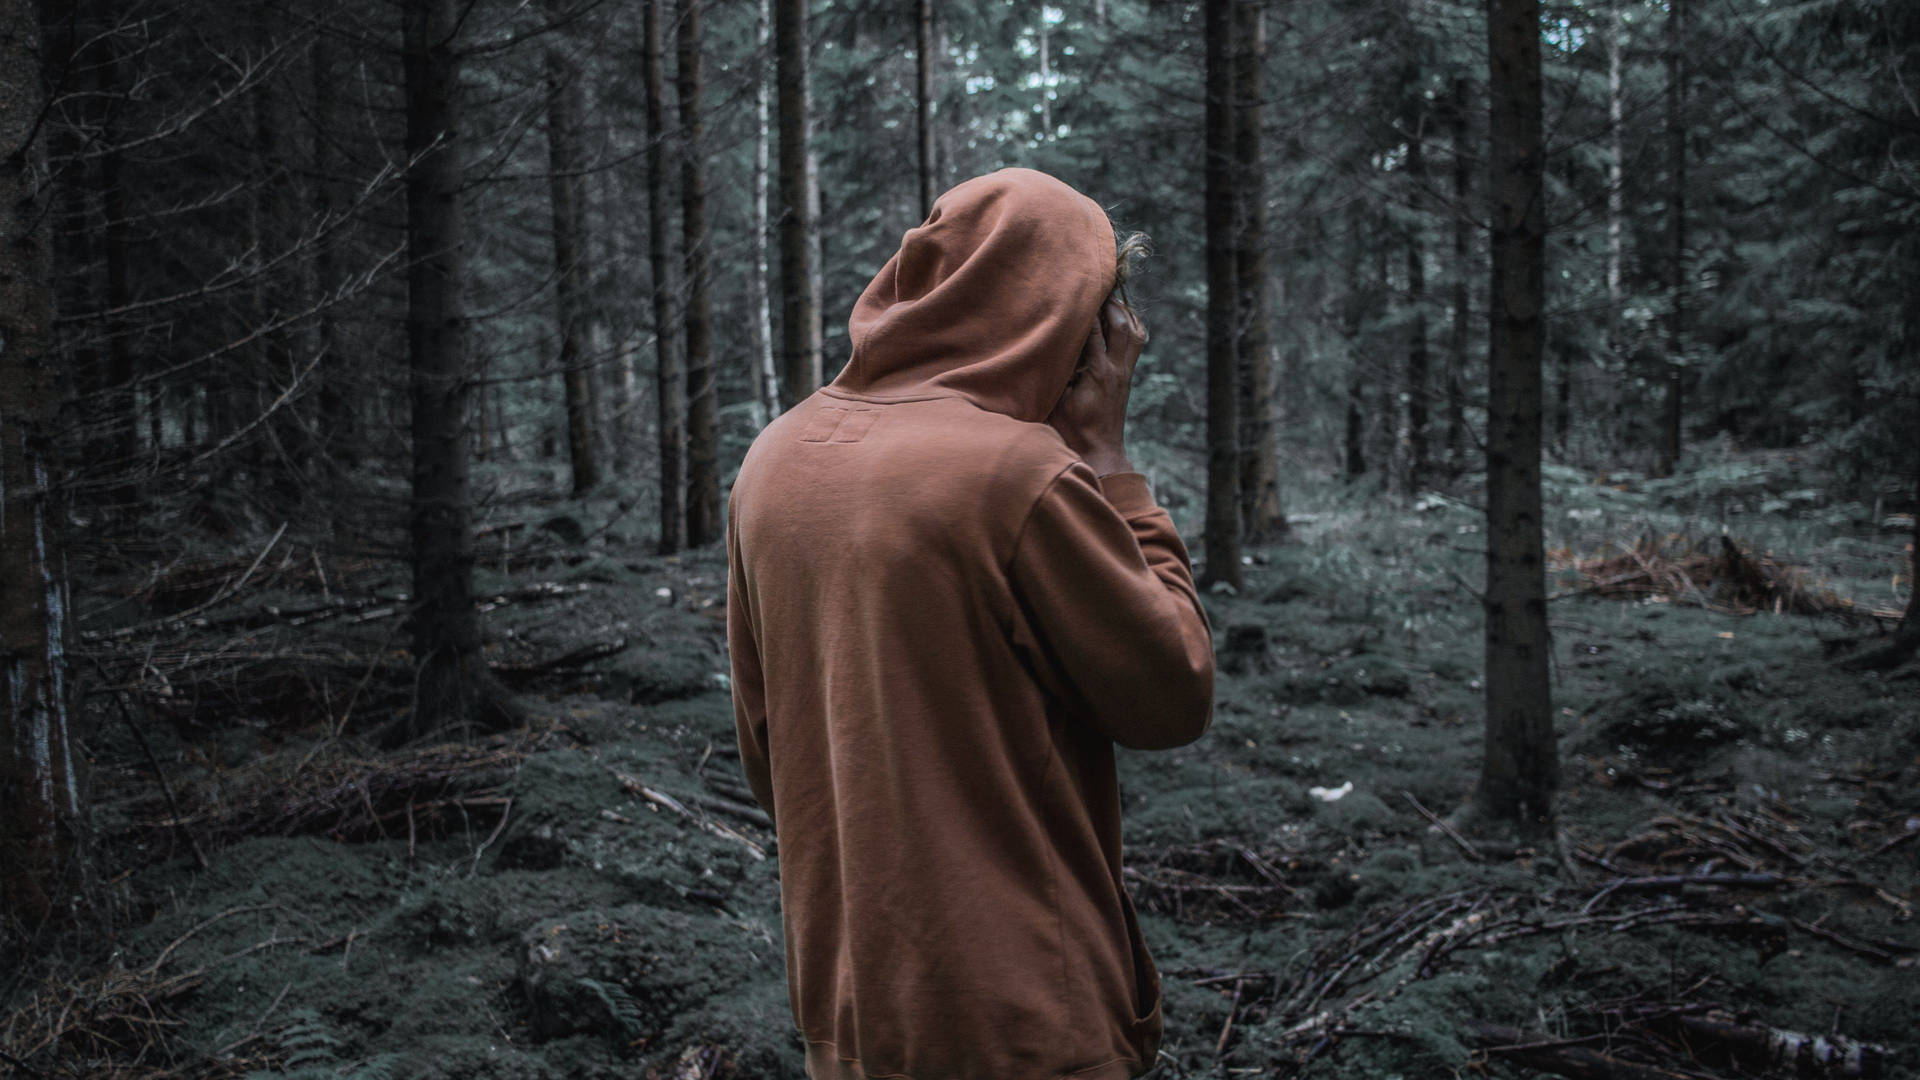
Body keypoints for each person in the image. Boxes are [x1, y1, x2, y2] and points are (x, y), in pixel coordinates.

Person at [726, 166, 1215, 1080]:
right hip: (1025, 1025)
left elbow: (769, 760)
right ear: (1067, 317)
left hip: (853, 1014)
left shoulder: (774, 458)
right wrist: (1110, 461)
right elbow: (1173, 693)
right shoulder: (1019, 475)